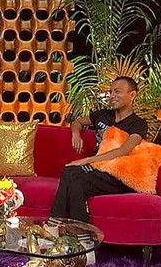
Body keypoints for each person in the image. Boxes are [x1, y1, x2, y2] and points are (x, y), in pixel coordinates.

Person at [50, 76, 149, 221]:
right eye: (110, 92)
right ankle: (77, 228)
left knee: (72, 175)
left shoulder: (138, 124)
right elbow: (77, 122)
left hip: (117, 175)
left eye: (117, 92)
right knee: (72, 175)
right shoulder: (102, 115)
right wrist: (76, 133)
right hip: (96, 171)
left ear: (132, 95)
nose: (112, 96)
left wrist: (87, 160)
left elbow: (124, 150)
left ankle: (55, 223)